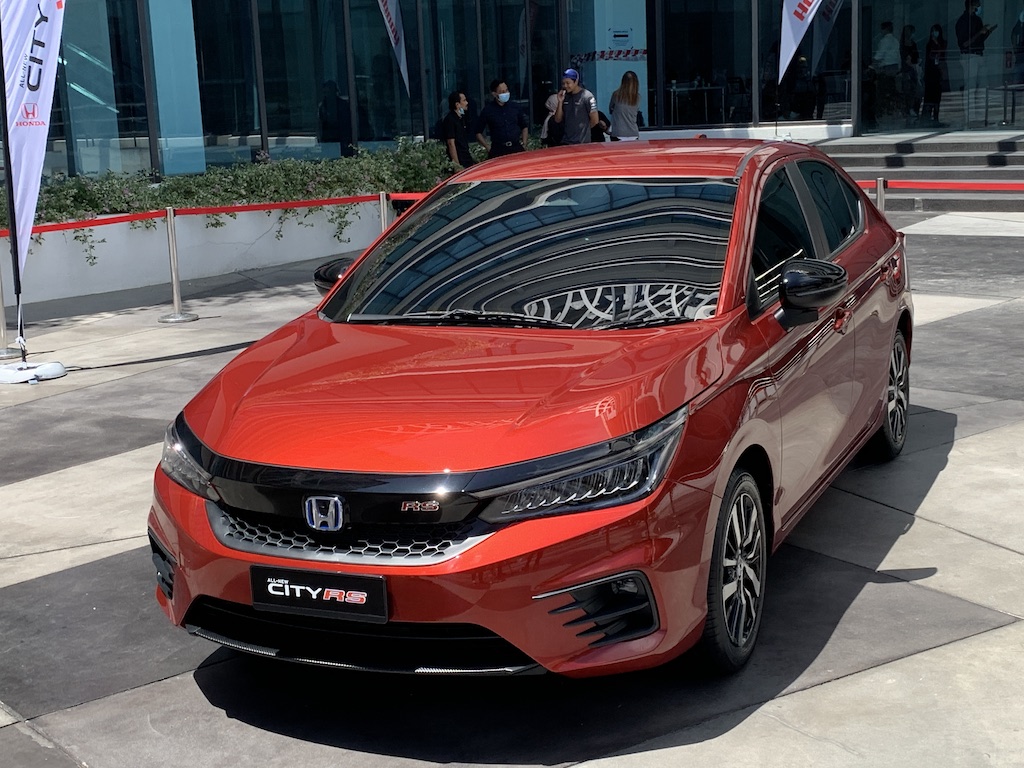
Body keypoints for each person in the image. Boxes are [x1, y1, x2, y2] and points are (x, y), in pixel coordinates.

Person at [956, 0, 997, 123]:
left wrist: (987, 32)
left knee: (983, 86)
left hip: (979, 54)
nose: (979, 7)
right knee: (971, 86)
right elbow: (964, 43)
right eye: (977, 5)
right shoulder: (962, 21)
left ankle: (981, 116)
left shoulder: (977, 20)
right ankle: (970, 117)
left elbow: (980, 39)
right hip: (969, 56)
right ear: (971, 6)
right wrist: (980, 32)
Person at [474, 79, 529, 159]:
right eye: (502, 92)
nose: (505, 93)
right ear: (494, 94)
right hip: (498, 150)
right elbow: (478, 132)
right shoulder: (488, 110)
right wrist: (487, 147)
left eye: (506, 90)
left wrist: (524, 143)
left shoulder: (515, 107)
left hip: (516, 147)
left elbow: (524, 126)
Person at [552, 68, 598, 144]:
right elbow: (557, 120)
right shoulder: (564, 96)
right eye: (563, 83)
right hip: (566, 141)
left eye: (568, 83)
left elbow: (595, 120)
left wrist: (584, 130)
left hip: (582, 142)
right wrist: (560, 102)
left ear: (576, 82)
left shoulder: (587, 96)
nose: (565, 86)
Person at [871, 22, 901, 121]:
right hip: (894, 68)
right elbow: (898, 56)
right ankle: (892, 109)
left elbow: (879, 55)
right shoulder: (896, 41)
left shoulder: (884, 41)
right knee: (892, 90)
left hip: (886, 69)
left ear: (884, 29)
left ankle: (883, 111)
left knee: (882, 91)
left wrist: (873, 64)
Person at [317, 80, 353, 156]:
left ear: (335, 92)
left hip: (342, 140)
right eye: (325, 92)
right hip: (327, 141)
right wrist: (320, 140)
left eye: (329, 92)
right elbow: (320, 125)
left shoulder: (343, 105)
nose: (327, 95)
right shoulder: (322, 106)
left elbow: (348, 124)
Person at [440, 91, 474, 169]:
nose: (467, 103)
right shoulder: (450, 120)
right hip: (460, 159)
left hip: (466, 158)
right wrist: (456, 165)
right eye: (464, 100)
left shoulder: (461, 118)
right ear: (457, 104)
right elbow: (451, 143)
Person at [923, 24, 948, 123]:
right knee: (929, 95)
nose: (934, 33)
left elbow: (942, 53)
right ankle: (927, 116)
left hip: (938, 71)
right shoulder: (929, 44)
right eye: (933, 31)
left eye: (936, 31)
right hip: (930, 72)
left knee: (937, 95)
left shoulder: (943, 43)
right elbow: (929, 57)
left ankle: (936, 117)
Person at [608, 70, 641, 140]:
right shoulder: (637, 97)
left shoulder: (616, 95)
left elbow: (610, 109)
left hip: (618, 133)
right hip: (633, 133)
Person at [901, 26, 921, 119]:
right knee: (908, 90)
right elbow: (905, 59)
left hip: (914, 69)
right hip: (906, 70)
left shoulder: (913, 44)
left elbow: (916, 56)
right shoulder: (903, 45)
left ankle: (913, 108)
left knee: (915, 90)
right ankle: (908, 109)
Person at [1012, 10, 1024, 84]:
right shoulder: (1021, 21)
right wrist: (1015, 49)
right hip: (1021, 56)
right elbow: (1014, 33)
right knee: (1017, 82)